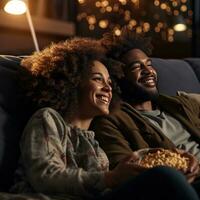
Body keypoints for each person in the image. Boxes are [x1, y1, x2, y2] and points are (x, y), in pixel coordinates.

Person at [6, 37, 199, 200]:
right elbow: (44, 175)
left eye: (109, 82)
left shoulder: (94, 142)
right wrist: (109, 178)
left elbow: (121, 171)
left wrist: (176, 158)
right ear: (72, 82)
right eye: (98, 79)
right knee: (164, 176)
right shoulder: (48, 119)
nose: (108, 88)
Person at [90, 27, 200, 192]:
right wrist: (180, 166)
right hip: (186, 182)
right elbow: (126, 172)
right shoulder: (111, 121)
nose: (148, 71)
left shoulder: (180, 103)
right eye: (136, 67)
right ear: (119, 77)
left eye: (149, 64)